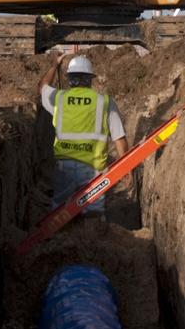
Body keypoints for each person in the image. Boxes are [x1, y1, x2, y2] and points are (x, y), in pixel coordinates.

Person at [37, 53, 129, 215]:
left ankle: (61, 239)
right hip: (93, 170)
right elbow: (119, 139)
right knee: (93, 214)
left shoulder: (59, 98)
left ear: (69, 78)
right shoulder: (104, 101)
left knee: (60, 214)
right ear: (90, 79)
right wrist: (125, 170)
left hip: (64, 167)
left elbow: (42, 86)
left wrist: (54, 65)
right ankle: (91, 235)